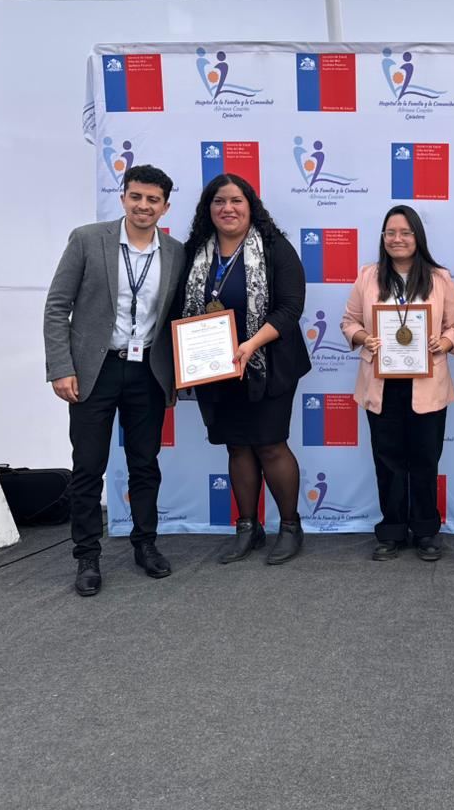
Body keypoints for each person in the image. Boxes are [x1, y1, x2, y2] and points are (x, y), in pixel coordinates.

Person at [43, 165, 186, 597]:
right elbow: (57, 306)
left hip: (148, 371)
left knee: (145, 464)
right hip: (95, 369)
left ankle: (146, 545)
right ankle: (87, 556)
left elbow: (180, 316)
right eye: (136, 196)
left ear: (165, 207)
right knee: (88, 467)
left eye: (153, 200)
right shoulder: (87, 239)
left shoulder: (176, 252)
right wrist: (61, 367)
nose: (143, 206)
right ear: (123, 197)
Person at [176, 173, 311, 565]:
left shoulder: (274, 247)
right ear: (208, 209)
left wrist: (250, 345)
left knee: (270, 444)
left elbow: (290, 307)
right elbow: (179, 309)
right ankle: (248, 528)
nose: (228, 208)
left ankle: (290, 527)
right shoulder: (195, 251)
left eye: (236, 201)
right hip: (215, 369)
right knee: (236, 446)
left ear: (251, 206)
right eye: (219, 201)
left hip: (267, 364)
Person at [341, 205, 454, 561]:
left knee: (425, 460)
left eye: (405, 232)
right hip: (382, 383)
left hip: (427, 382)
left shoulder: (440, 278)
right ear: (383, 238)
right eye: (391, 233)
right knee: (388, 461)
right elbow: (349, 321)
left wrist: (444, 342)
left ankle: (426, 531)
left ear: (417, 237)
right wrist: (364, 337)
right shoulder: (368, 276)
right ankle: (392, 530)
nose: (397, 239)